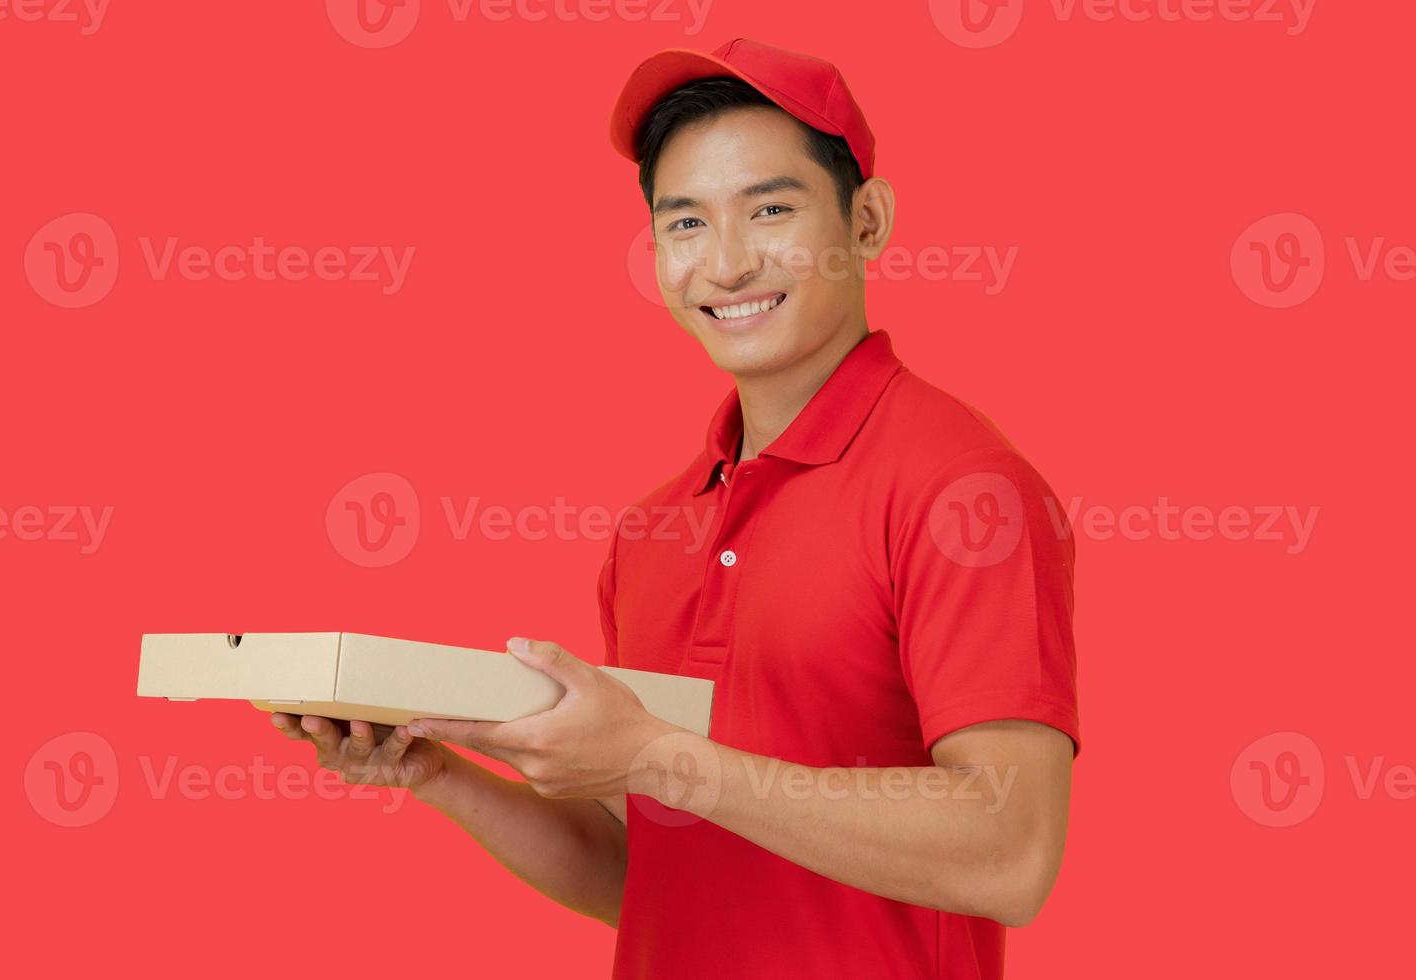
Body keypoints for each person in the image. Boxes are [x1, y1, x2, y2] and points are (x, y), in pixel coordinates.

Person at [272, 38, 1078, 980]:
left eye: (770, 210)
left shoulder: (962, 490)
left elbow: (1012, 853)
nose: (727, 264)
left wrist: (657, 757)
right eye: (685, 223)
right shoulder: (655, 531)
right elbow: (651, 871)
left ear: (868, 220)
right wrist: (438, 770)